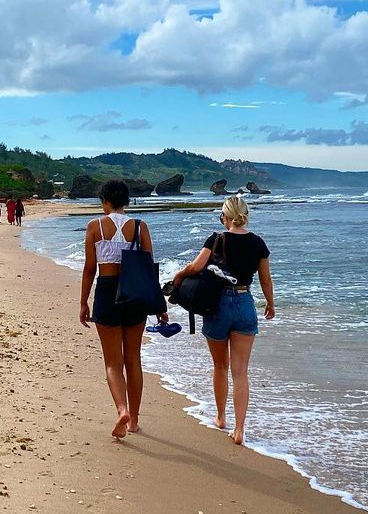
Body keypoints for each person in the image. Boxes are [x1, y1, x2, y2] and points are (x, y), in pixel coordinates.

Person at [172, 194, 274, 445]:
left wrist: (178, 275)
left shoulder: (216, 239)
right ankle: (240, 429)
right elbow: (265, 279)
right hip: (244, 302)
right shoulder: (258, 243)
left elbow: (196, 267)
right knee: (241, 372)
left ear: (225, 216)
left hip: (217, 305)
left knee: (220, 366)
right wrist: (270, 303)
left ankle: (220, 417)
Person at [80, 179, 167, 439]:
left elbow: (89, 268)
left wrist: (83, 302)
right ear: (127, 201)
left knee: (112, 362)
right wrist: (159, 305)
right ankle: (134, 421)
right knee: (133, 359)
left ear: (104, 201)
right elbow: (149, 269)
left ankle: (121, 409)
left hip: (107, 292)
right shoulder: (141, 227)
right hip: (135, 295)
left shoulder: (95, 226)